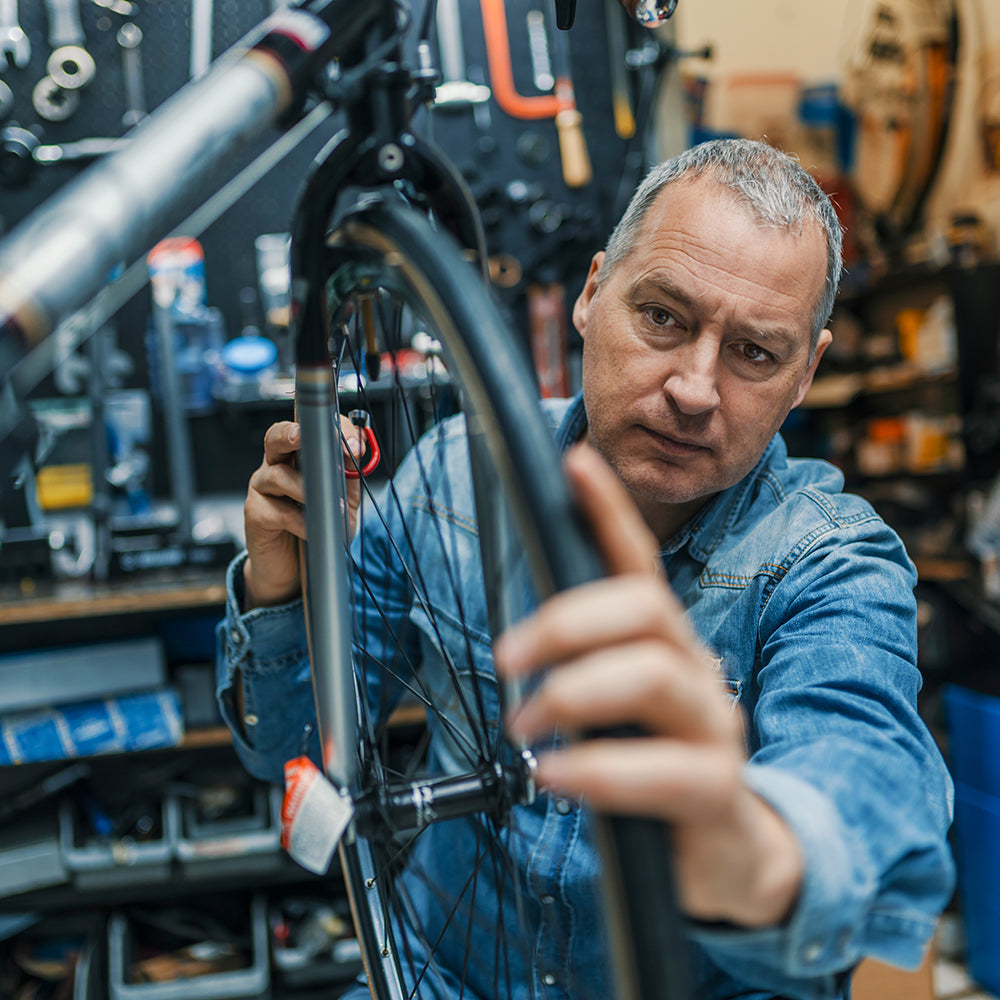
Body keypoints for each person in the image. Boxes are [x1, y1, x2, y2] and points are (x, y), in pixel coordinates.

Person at [216, 138, 954, 999]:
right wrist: (281, 585)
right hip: (441, 977)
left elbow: (863, 767)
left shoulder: (832, 565)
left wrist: (750, 845)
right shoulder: (449, 476)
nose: (694, 388)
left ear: (806, 375)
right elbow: (292, 753)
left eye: (755, 352)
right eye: (664, 318)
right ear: (592, 292)